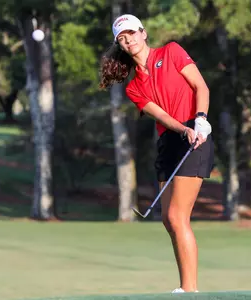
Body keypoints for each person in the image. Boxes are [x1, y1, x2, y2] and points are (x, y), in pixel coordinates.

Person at [98, 14, 214, 294]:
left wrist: (199, 120)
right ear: (120, 45)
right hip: (171, 140)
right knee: (167, 219)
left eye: (132, 34)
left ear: (143, 33)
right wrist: (181, 130)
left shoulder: (172, 51)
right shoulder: (134, 86)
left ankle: (189, 289)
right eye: (122, 38)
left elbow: (201, 86)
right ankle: (185, 284)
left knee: (177, 216)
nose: (129, 40)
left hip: (196, 135)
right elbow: (160, 115)